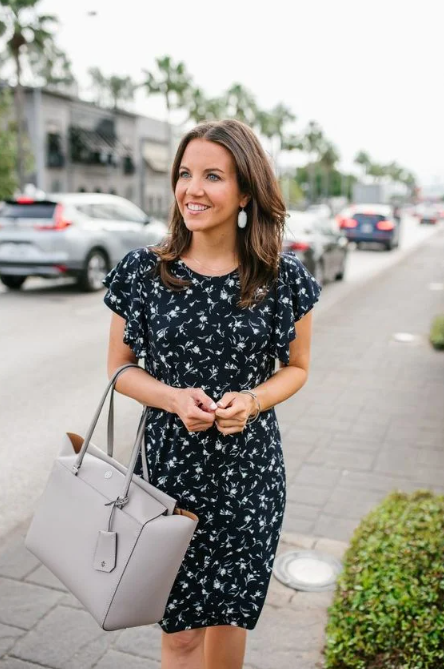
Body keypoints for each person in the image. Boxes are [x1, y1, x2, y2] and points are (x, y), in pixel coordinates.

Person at [102, 118, 322, 669]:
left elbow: (296, 369)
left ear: (246, 190)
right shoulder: (143, 271)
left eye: (213, 176)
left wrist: (254, 400)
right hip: (169, 475)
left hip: (249, 475)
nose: (191, 189)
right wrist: (173, 398)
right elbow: (118, 370)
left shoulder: (281, 277)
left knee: (227, 625)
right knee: (179, 633)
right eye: (184, 174)